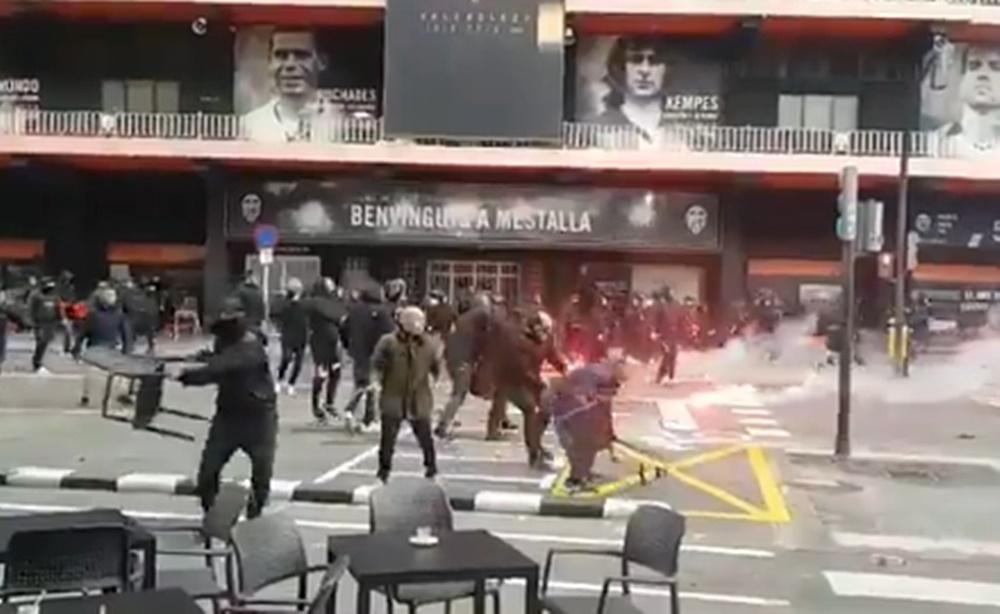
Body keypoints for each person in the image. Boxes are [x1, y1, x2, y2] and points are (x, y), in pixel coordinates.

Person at [178, 297, 277, 519]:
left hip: (258, 417)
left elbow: (224, 366)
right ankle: (211, 512)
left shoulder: (251, 344)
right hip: (228, 415)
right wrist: (202, 358)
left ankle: (255, 517)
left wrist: (187, 376)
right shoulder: (225, 341)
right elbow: (219, 360)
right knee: (208, 472)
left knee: (261, 474)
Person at [484, 310, 566, 469]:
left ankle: (537, 445)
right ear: (533, 327)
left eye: (547, 331)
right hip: (512, 381)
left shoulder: (545, 339)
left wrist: (564, 368)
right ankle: (533, 454)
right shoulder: (519, 341)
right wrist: (539, 383)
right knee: (530, 410)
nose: (544, 334)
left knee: (546, 409)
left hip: (531, 380)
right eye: (542, 330)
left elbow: (552, 355)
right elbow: (521, 369)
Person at [372, 306, 441, 483]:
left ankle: (431, 468)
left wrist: (434, 380)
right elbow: (377, 364)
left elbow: (435, 367)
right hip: (393, 396)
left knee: (425, 437)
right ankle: (383, 471)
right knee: (388, 439)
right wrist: (376, 383)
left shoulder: (427, 344)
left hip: (419, 397)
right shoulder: (389, 342)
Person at [244, 29, 342, 143]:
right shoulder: (250, 126)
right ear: (269, 62)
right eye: (281, 56)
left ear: (322, 62)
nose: (290, 65)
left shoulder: (341, 122)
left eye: (301, 55)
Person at [543, 361, 628, 490]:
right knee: (578, 448)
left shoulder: (601, 388)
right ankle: (575, 479)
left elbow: (605, 412)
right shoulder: (584, 388)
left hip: (578, 417)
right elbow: (556, 387)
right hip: (566, 420)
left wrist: (609, 434)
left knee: (590, 443)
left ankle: (583, 473)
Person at [436, 292, 493, 439]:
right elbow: (487, 337)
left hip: (453, 358)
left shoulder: (464, 318)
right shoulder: (481, 315)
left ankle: (502, 419)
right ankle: (442, 424)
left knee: (461, 392)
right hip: (462, 359)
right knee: (459, 393)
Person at [342, 283, 395, 432]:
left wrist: (348, 346)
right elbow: (390, 333)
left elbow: (344, 329)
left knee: (360, 384)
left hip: (358, 352)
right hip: (375, 353)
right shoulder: (382, 312)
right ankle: (368, 419)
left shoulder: (355, 311)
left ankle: (351, 411)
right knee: (373, 387)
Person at [72, 286, 132, 407]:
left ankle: (86, 396)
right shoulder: (118, 315)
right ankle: (122, 395)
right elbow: (127, 334)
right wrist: (127, 349)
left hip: (95, 348)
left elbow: (83, 333)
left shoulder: (93, 315)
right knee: (120, 374)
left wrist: (76, 349)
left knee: (91, 376)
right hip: (110, 349)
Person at [937, 45, 1000, 157]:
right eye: (974, 66)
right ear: (961, 78)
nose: (983, 75)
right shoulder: (937, 143)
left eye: (995, 67)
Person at [304, 277, 346, 423]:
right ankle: (317, 407)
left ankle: (329, 403)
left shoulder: (333, 301)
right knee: (321, 374)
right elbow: (336, 315)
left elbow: (341, 316)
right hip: (320, 342)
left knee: (335, 372)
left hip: (333, 342)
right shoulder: (315, 303)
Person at [275, 277, 308, 396]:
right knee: (286, 358)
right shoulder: (285, 303)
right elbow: (276, 313)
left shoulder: (304, 303)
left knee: (298, 363)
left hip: (301, 335)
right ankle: (279, 380)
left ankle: (291, 384)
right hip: (288, 334)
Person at [30, 278, 62, 374]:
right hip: (39, 322)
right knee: (41, 341)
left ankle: (38, 361)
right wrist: (32, 322)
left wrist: (60, 319)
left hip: (50, 322)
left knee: (45, 342)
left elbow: (58, 308)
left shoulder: (54, 297)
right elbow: (31, 309)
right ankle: (37, 363)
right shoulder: (36, 296)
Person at [652, 288, 684, 384]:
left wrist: (681, 334)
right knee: (667, 355)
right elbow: (656, 319)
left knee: (673, 355)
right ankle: (660, 376)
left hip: (674, 334)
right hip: (664, 334)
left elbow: (680, 319)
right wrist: (655, 332)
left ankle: (671, 376)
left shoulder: (676, 305)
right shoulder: (661, 306)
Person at [121, 279, 159, 355]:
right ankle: (150, 347)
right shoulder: (149, 295)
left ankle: (129, 347)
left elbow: (124, 306)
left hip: (135, 318)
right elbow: (154, 308)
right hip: (146, 318)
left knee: (127, 325)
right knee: (150, 329)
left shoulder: (128, 294)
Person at [235, 274, 266, 343]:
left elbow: (237, 305)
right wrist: (262, 319)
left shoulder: (241, 291)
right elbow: (262, 306)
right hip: (257, 319)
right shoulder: (258, 291)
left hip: (246, 319)